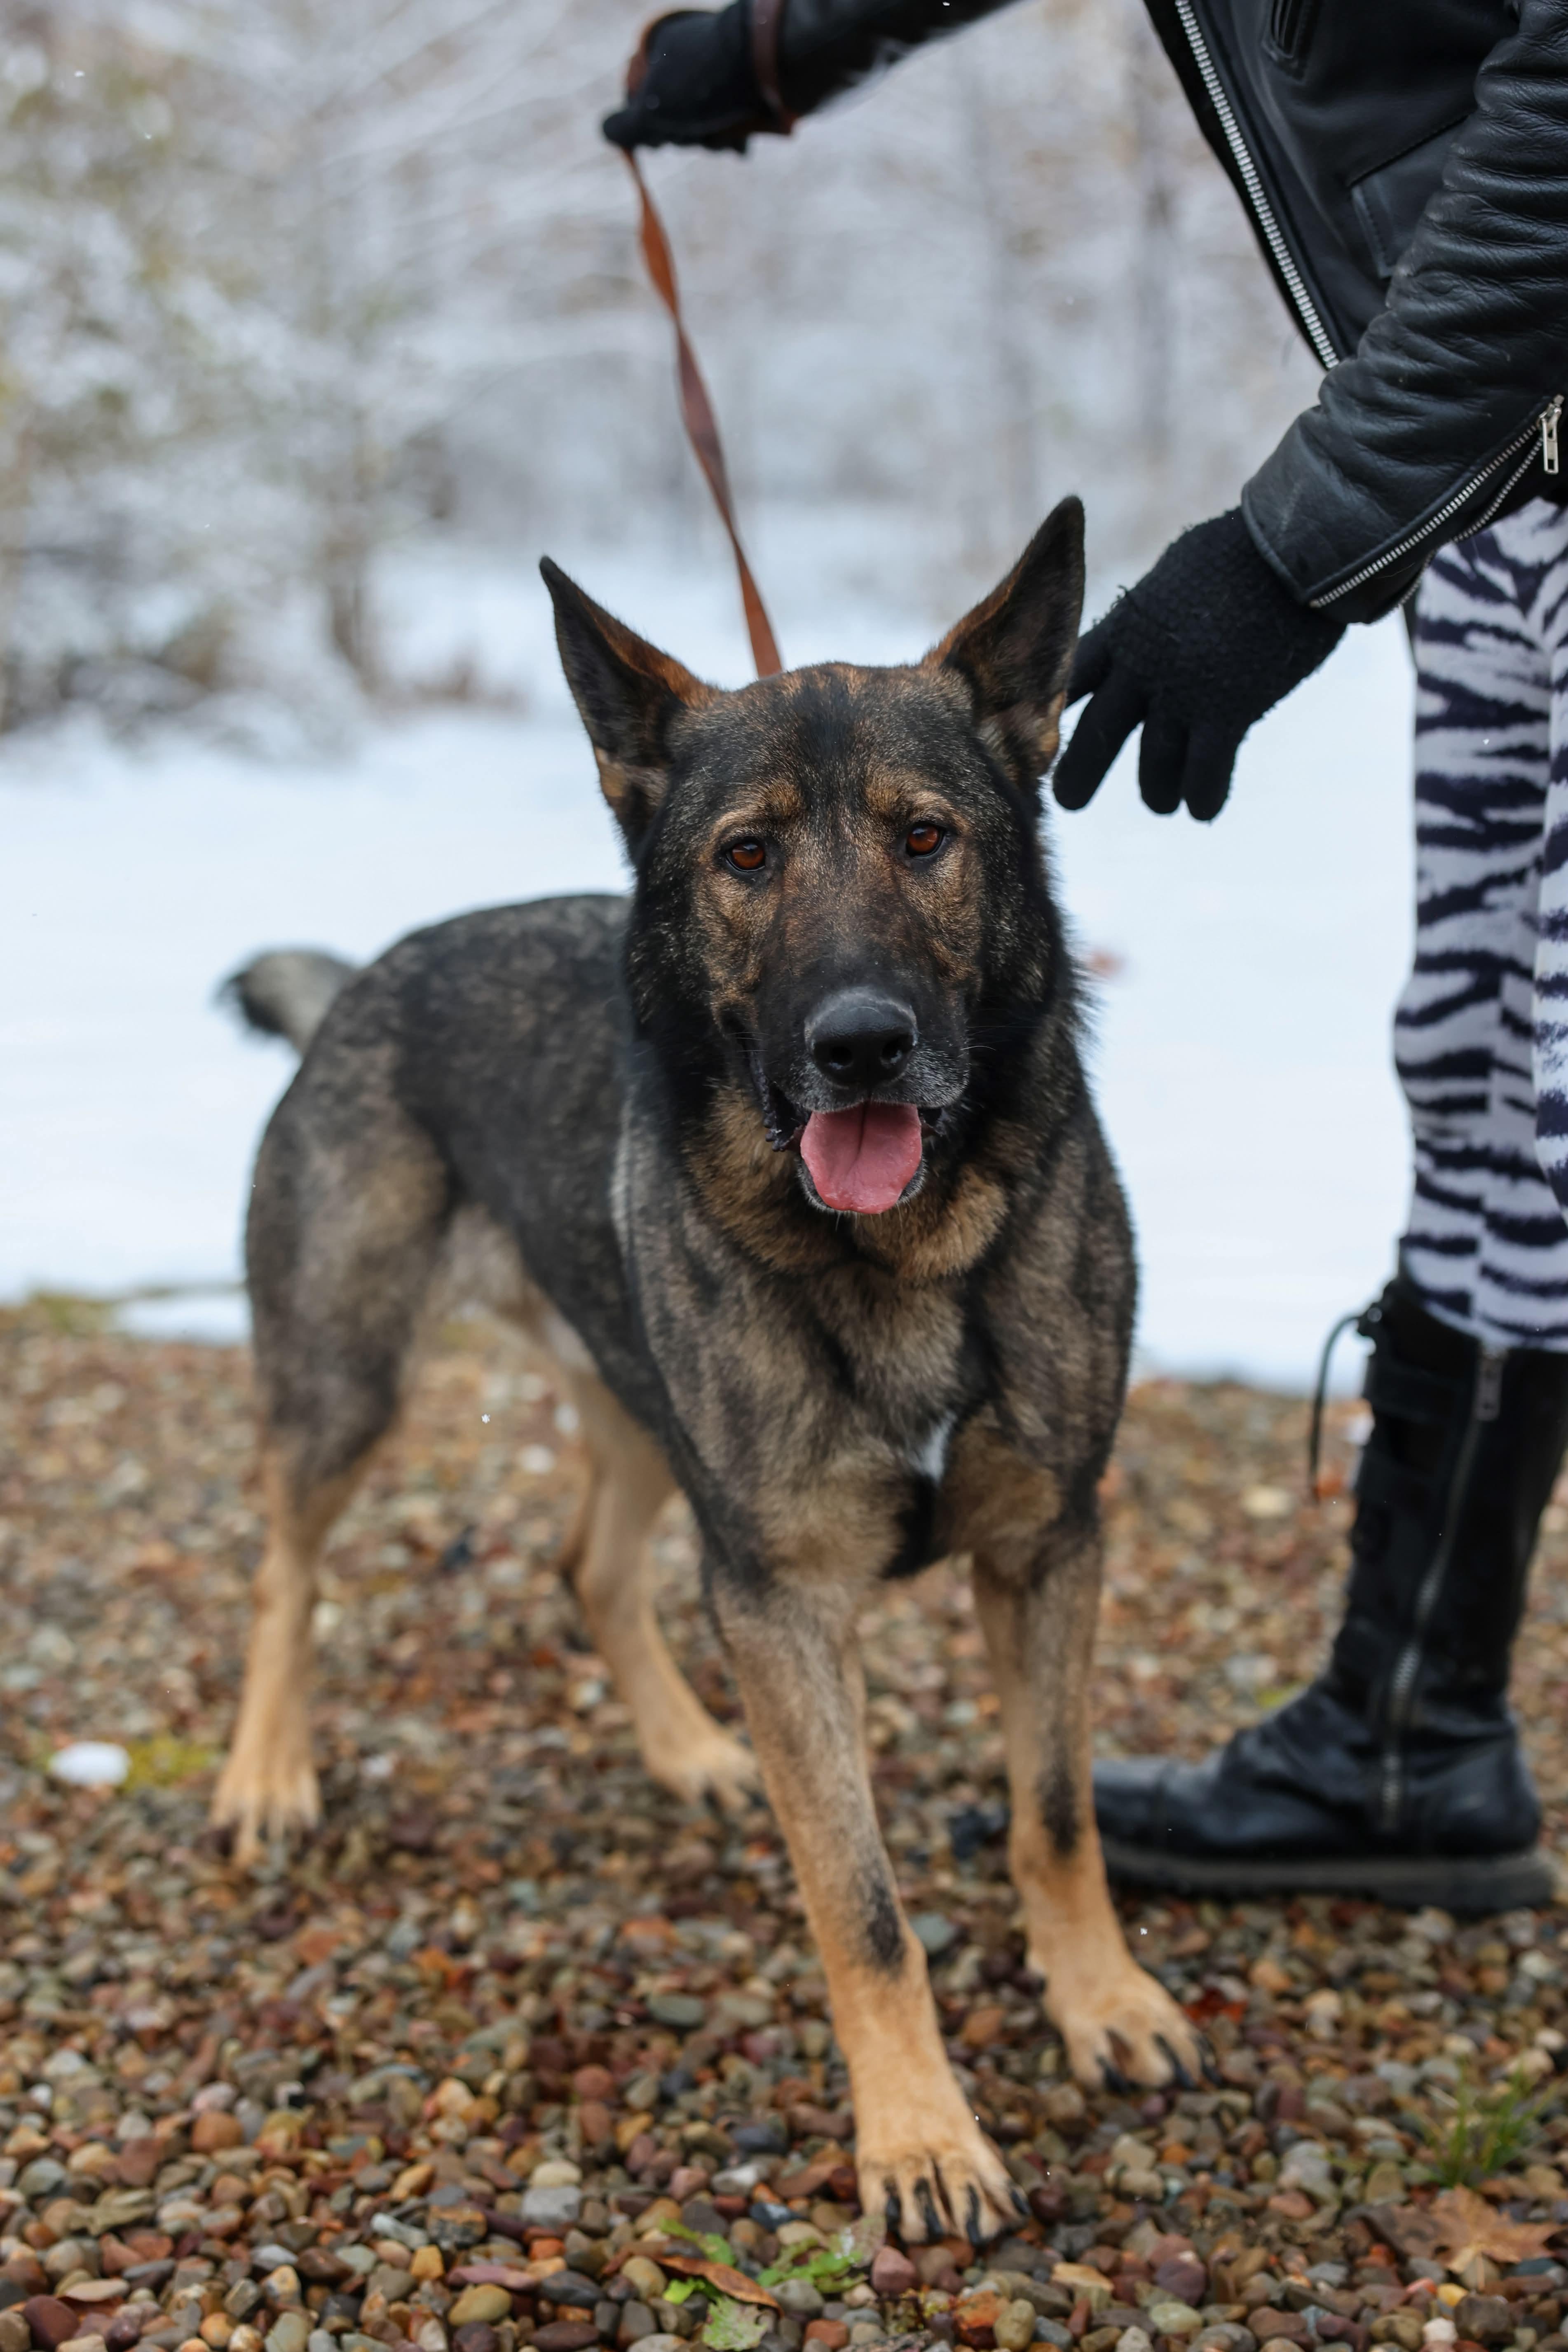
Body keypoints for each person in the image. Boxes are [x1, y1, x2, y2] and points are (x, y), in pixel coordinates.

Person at [601, 0, 1568, 1913]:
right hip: (1507, 468)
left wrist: (1295, 547)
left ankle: (1412, 1727)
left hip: (1478, 412)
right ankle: (1411, 1726)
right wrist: (792, 39)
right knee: (1490, 1070)